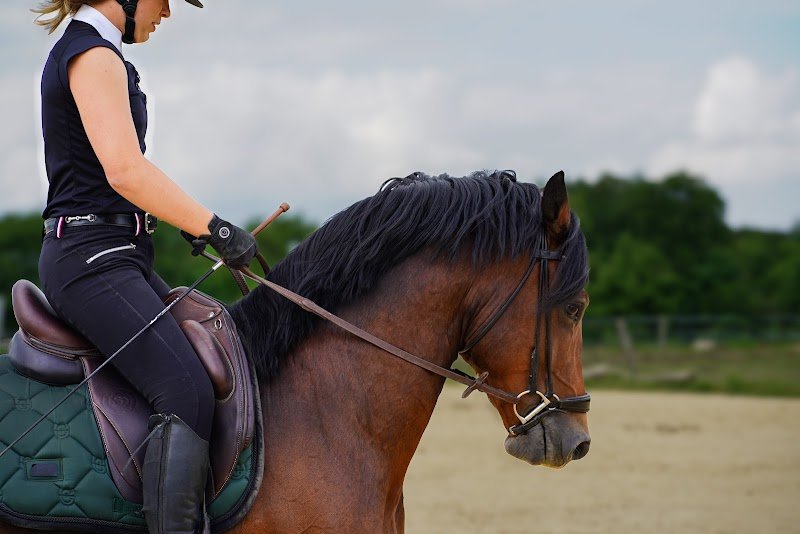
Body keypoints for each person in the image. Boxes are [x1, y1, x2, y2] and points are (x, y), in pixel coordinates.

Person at [32, 0, 257, 531]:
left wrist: (182, 217)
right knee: (184, 389)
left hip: (116, 254)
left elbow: (126, 174)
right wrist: (215, 227)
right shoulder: (92, 54)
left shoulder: (95, 51)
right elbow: (125, 171)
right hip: (90, 258)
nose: (167, 12)